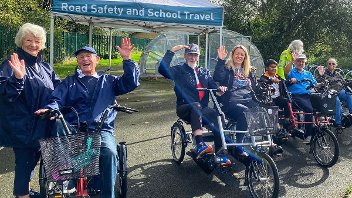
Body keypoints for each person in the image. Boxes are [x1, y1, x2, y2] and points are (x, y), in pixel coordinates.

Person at [35, 38, 140, 198]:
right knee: (56, 123)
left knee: (110, 153)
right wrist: (50, 109)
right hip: (73, 129)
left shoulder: (109, 81)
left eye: (88, 56)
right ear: (77, 61)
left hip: (101, 130)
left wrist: (127, 59)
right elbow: (56, 99)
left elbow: (130, 82)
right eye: (81, 57)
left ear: (96, 60)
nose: (85, 59)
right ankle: (65, 180)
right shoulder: (70, 82)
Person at [0, 23, 61, 198]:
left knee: (32, 163)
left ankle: (25, 192)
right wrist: (18, 78)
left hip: (44, 124)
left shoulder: (45, 67)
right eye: (29, 40)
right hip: (23, 127)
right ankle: (22, 195)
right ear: (21, 41)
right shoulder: (11, 64)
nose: (33, 44)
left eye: (37, 41)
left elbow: (59, 89)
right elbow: (5, 95)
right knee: (24, 164)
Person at [158, 43, 231, 167]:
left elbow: (215, 89)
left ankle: (220, 152)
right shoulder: (179, 70)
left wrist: (221, 89)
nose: (192, 57)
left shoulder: (204, 72)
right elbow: (162, 70)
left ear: (198, 57)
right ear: (185, 56)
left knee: (219, 115)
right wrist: (172, 51)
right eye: (190, 55)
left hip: (202, 109)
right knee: (196, 105)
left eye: (195, 55)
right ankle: (199, 144)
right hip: (185, 108)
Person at [213, 45, 257, 144]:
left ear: (245, 57)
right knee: (245, 112)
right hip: (230, 102)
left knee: (263, 110)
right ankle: (239, 143)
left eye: (242, 54)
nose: (239, 56)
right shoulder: (226, 68)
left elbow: (255, 87)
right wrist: (220, 60)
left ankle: (267, 142)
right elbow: (217, 77)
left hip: (247, 100)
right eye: (237, 53)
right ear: (232, 55)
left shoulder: (249, 71)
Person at [285, 54, 318, 142]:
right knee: (308, 109)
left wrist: (322, 82)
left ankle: (320, 127)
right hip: (296, 96)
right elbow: (285, 72)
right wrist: (291, 61)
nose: (301, 63)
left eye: (303, 61)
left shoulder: (308, 73)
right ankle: (308, 134)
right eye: (299, 61)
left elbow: (315, 84)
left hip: (308, 95)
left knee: (320, 106)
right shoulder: (292, 72)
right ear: (295, 62)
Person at [317, 58, 352, 128]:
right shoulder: (323, 73)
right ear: (327, 65)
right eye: (329, 63)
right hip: (330, 92)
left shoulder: (338, 74)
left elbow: (344, 83)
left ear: (335, 65)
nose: (331, 65)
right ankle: (338, 122)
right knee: (337, 101)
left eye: (333, 64)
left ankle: (351, 115)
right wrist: (321, 75)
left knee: (350, 96)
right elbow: (318, 83)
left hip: (340, 91)